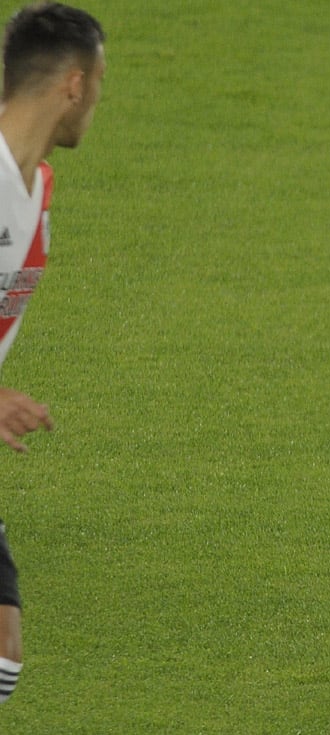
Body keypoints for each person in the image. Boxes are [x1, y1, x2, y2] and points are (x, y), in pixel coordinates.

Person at [0, 2, 106, 704]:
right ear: (74, 83)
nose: (99, 101)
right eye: (100, 83)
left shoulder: (36, 187)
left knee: (4, 635)